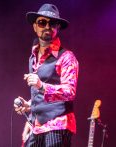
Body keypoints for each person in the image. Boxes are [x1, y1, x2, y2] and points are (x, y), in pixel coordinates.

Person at [14, 3, 79, 147]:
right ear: (35, 27)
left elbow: (70, 91)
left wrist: (41, 86)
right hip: (36, 126)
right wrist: (29, 105)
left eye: (52, 23)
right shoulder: (33, 57)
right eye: (42, 22)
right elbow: (40, 95)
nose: (47, 27)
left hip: (58, 125)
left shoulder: (67, 57)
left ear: (58, 28)